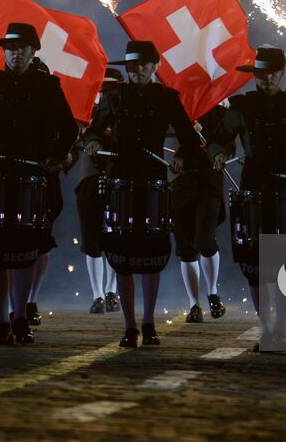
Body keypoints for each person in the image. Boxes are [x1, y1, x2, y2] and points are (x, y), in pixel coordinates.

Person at [81, 41, 206, 348]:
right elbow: (95, 129)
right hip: (120, 179)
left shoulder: (166, 98)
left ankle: (148, 323)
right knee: (121, 257)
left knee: (151, 256)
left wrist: (181, 158)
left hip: (152, 181)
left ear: (155, 66)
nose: (137, 70)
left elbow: (189, 137)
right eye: (132, 66)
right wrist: (93, 141)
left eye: (143, 65)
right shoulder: (114, 97)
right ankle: (129, 326)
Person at [0, 23, 77, 345]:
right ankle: (2, 321)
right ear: (3, 51)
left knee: (27, 249)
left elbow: (68, 128)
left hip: (33, 176)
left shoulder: (47, 86)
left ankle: (21, 318)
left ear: (33, 51)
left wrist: (56, 156)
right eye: (10, 48)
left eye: (22, 48)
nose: (15, 53)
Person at [212, 47, 286, 352]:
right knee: (255, 264)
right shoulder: (243, 106)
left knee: (285, 264)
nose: (266, 77)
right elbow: (218, 137)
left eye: (272, 72)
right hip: (253, 188)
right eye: (261, 72)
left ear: (281, 73)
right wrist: (219, 152)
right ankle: (267, 329)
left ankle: (279, 328)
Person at [70, 69, 121, 315]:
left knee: (116, 236)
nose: (105, 92)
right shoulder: (85, 109)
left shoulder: (124, 109)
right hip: (90, 176)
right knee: (91, 237)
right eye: (103, 88)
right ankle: (98, 294)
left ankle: (111, 291)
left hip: (118, 174)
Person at [173, 101, 228, 324]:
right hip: (183, 182)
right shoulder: (179, 108)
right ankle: (194, 304)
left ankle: (212, 292)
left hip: (208, 183)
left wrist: (217, 151)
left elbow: (227, 141)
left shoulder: (221, 109)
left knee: (205, 240)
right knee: (186, 248)